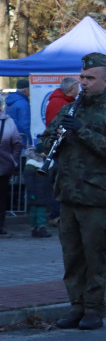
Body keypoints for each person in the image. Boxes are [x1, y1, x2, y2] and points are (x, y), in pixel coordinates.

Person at [38, 53, 106, 330]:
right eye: (83, 78)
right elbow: (44, 141)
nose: (84, 83)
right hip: (67, 194)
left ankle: (93, 308)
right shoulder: (69, 110)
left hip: (95, 196)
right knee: (72, 257)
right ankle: (76, 306)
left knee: (94, 256)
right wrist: (54, 139)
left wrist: (82, 132)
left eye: (90, 78)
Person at [0, 96, 23, 237]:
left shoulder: (9, 122)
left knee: (1, 196)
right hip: (5, 165)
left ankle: (0, 225)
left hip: (3, 166)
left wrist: (13, 160)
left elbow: (17, 143)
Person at [5, 78, 31, 149]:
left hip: (11, 139)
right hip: (22, 141)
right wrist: (30, 141)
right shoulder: (23, 104)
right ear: (26, 90)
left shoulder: (10, 102)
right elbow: (25, 125)